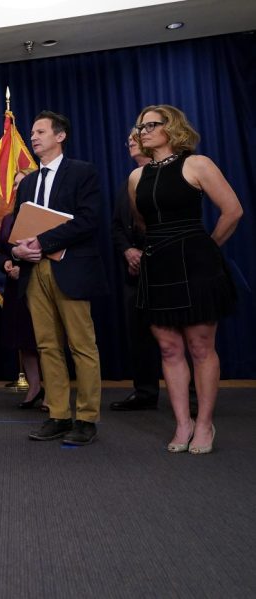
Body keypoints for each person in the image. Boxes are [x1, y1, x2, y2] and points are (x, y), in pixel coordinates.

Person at [128, 104, 242, 454]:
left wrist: (206, 247)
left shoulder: (197, 163)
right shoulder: (136, 178)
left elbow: (233, 210)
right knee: (169, 347)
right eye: (140, 126)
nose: (143, 131)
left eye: (151, 125)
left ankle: (205, 424)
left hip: (195, 264)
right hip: (157, 264)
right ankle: (183, 423)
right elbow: (142, 224)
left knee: (200, 347)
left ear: (171, 127)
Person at [12, 111, 108, 446]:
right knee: (46, 346)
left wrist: (43, 242)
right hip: (34, 272)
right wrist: (17, 252)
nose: (34, 137)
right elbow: (16, 231)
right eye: (32, 132)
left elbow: (88, 220)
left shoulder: (83, 172)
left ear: (60, 135)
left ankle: (86, 418)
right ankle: (57, 415)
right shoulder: (26, 182)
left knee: (81, 345)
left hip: (71, 268)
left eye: (40, 131)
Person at [111, 127, 162, 411]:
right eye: (128, 138)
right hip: (133, 271)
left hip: (165, 266)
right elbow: (117, 226)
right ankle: (144, 393)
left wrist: (146, 252)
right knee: (138, 333)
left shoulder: (171, 177)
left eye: (135, 136)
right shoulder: (127, 182)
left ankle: (193, 397)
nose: (130, 140)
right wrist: (128, 251)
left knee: (176, 333)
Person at [0, 168, 45, 410]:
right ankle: (34, 389)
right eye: (14, 185)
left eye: (22, 183)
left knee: (44, 340)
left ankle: (53, 394)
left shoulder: (43, 215)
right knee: (24, 340)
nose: (17, 188)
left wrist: (23, 267)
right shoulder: (8, 218)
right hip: (15, 288)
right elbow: (0, 251)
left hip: (38, 283)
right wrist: (6, 262)